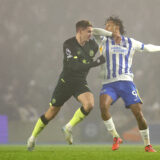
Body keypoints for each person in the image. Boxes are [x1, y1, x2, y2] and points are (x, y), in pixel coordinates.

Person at [27, 20, 119, 151]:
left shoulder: (92, 45)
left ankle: (68, 127)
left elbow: (103, 41)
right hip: (65, 82)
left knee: (89, 105)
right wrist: (96, 62)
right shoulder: (68, 44)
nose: (90, 35)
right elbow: (74, 66)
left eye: (91, 32)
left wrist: (112, 36)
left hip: (80, 82)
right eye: (88, 32)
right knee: (51, 113)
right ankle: (32, 138)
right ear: (79, 31)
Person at [92, 16, 160, 152]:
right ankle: (116, 137)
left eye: (109, 25)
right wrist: (110, 33)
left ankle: (147, 144)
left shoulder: (130, 42)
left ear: (117, 26)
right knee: (103, 107)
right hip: (109, 84)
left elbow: (146, 47)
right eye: (105, 25)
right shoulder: (103, 40)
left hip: (127, 83)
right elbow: (93, 31)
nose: (105, 28)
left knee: (138, 114)